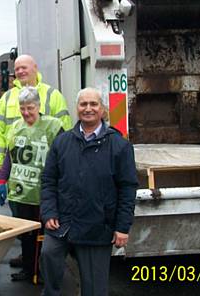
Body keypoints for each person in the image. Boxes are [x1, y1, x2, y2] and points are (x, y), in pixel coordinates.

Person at [40, 87, 138, 296]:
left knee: (94, 289)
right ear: (77, 109)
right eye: (83, 104)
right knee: (49, 254)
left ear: (102, 109)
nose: (88, 109)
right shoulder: (62, 142)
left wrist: (122, 227)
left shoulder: (119, 146)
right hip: (63, 224)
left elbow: (127, 189)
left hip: (97, 228)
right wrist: (49, 212)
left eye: (93, 104)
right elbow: (48, 180)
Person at [0, 54, 72, 267]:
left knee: (44, 226)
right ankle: (29, 260)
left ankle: (42, 263)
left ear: (35, 67)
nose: (20, 71)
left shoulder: (52, 95)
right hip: (19, 178)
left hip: (44, 178)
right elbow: (0, 135)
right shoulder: (8, 98)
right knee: (23, 224)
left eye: (24, 67)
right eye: (17, 69)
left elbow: (64, 137)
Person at [0, 86, 64, 282]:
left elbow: (63, 156)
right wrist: (2, 180)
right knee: (26, 235)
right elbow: (10, 156)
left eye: (30, 108)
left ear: (39, 106)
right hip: (21, 191)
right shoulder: (17, 127)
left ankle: (42, 271)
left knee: (43, 235)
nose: (26, 113)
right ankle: (28, 269)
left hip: (44, 192)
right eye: (22, 108)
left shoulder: (53, 126)